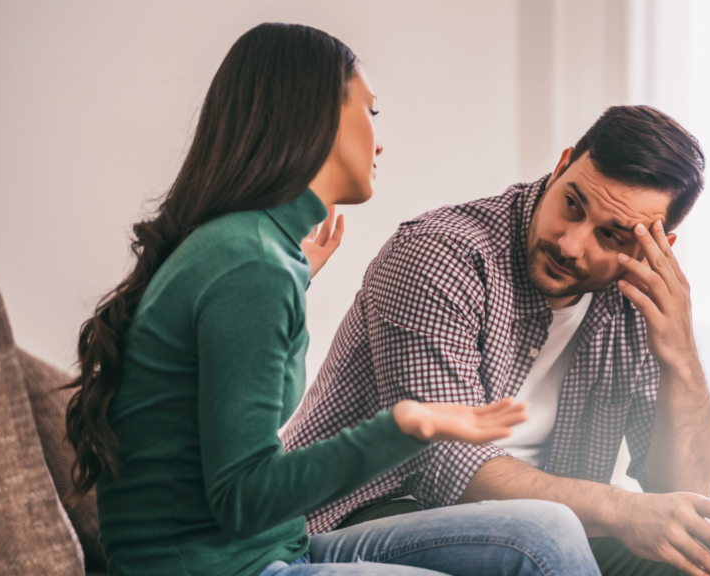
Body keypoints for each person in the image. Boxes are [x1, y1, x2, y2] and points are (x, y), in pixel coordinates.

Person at [62, 22, 601, 576]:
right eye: (371, 112)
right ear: (316, 115)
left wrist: (291, 283)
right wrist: (402, 426)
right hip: (220, 569)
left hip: (275, 548)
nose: (380, 138)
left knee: (548, 530)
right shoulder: (249, 265)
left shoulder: (252, 253)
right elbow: (244, 498)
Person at [282, 105, 710, 576]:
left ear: (657, 245)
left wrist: (681, 354)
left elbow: (684, 488)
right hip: (354, 518)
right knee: (541, 534)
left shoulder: (637, 301)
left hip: (536, 532)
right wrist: (621, 510)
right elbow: (446, 467)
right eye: (573, 204)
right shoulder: (440, 255)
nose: (571, 244)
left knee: (704, 551)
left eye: (610, 235)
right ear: (562, 165)